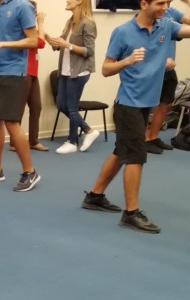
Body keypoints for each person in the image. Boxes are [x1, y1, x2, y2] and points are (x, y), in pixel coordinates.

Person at [82, 0, 190, 233]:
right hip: (128, 104)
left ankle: (94, 196)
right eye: (161, 3)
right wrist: (128, 61)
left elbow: (187, 30)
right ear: (143, 3)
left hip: (146, 105)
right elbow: (106, 69)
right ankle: (131, 213)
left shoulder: (166, 25)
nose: (165, 7)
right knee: (135, 156)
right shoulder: (123, 32)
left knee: (122, 151)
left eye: (168, 3)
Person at [0, 0, 41, 192]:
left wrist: (2, 44)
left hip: (14, 72)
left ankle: (30, 171)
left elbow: (33, 40)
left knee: (12, 122)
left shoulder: (22, 6)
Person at [46, 0, 99, 154]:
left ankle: (72, 141)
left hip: (79, 71)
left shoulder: (88, 23)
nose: (67, 1)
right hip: (65, 71)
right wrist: (44, 31)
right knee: (61, 104)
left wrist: (67, 45)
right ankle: (88, 130)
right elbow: (58, 44)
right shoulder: (70, 22)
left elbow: (89, 51)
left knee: (72, 107)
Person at [145, 0, 190, 154]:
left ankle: (153, 137)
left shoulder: (172, 14)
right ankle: (143, 139)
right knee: (147, 106)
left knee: (166, 104)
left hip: (169, 69)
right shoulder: (151, 16)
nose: (164, 6)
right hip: (153, 70)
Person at [11, 1, 49, 152]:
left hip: (33, 72)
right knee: (19, 108)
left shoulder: (32, 29)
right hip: (23, 71)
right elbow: (39, 43)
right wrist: (41, 23)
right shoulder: (20, 27)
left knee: (36, 106)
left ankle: (33, 140)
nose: (34, 14)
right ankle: (15, 142)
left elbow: (42, 40)